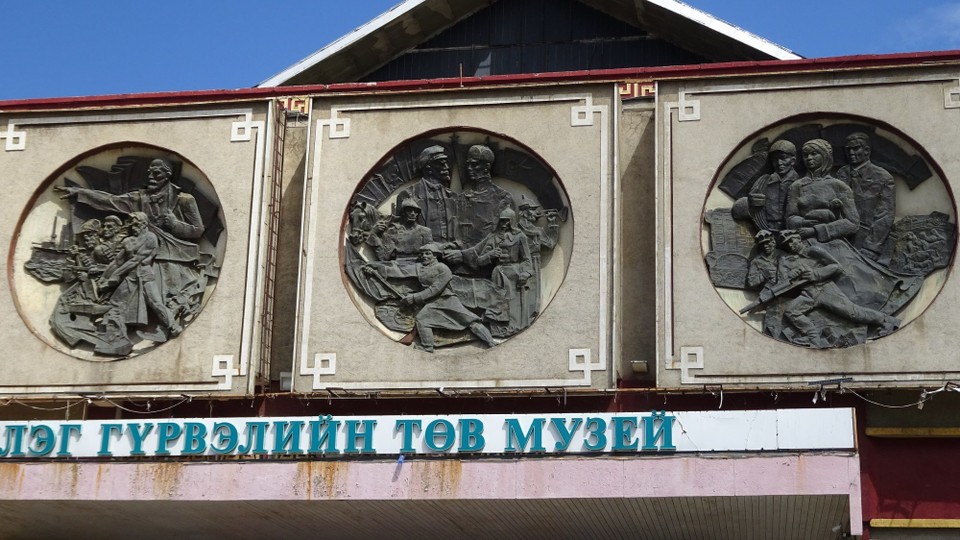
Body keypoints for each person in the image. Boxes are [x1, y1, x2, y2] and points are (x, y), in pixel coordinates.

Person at [776, 230, 899, 347]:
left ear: (799, 239)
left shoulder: (814, 251)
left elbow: (836, 266)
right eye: (787, 244)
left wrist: (816, 273)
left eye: (792, 241)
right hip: (808, 293)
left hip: (825, 289)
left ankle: (887, 321)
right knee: (791, 311)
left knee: (853, 313)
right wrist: (789, 274)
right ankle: (812, 337)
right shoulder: (789, 261)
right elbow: (783, 281)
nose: (790, 245)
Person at [363, 244, 496, 352]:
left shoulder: (443, 269)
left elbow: (436, 289)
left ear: (435, 255)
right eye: (423, 254)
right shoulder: (420, 268)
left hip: (447, 300)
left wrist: (414, 298)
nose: (424, 256)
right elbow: (399, 270)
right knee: (422, 319)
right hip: (432, 303)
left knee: (469, 320)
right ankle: (427, 347)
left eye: (428, 254)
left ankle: (490, 342)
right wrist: (375, 267)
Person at [97, 212, 182, 340]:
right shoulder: (128, 240)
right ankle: (114, 335)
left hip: (145, 276)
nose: (134, 228)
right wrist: (104, 277)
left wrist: (115, 275)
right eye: (132, 225)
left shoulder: (150, 238)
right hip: (131, 277)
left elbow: (136, 260)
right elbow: (117, 262)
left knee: (156, 303)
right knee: (114, 304)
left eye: (137, 225)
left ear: (144, 224)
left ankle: (173, 326)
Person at [784, 139, 859, 243]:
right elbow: (789, 219)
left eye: (814, 154)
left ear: (825, 156)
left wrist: (815, 230)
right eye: (805, 155)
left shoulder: (839, 186)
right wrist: (803, 222)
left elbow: (853, 223)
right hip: (802, 240)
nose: (809, 158)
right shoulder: (796, 186)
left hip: (833, 242)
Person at [836, 132, 896, 259]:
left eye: (856, 148)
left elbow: (885, 215)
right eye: (848, 150)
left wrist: (872, 247)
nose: (851, 153)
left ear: (867, 150)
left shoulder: (883, 177)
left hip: (867, 241)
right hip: (841, 238)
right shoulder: (841, 173)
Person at [732, 140, 799, 231]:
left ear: (793, 160)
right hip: (767, 230)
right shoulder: (763, 181)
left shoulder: (801, 182)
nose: (779, 163)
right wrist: (751, 203)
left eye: (783, 158)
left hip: (794, 232)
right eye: (775, 159)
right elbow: (741, 209)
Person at [396, 145, 458, 243]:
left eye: (446, 164)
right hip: (422, 253)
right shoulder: (408, 195)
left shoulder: (453, 197)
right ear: (429, 168)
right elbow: (399, 231)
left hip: (449, 252)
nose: (447, 167)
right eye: (441, 164)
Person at [366, 198, 433, 261]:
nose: (413, 213)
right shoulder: (393, 231)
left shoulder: (425, 231)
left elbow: (431, 255)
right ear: (403, 213)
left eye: (415, 211)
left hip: (421, 266)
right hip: (398, 266)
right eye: (409, 210)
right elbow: (383, 257)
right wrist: (374, 234)